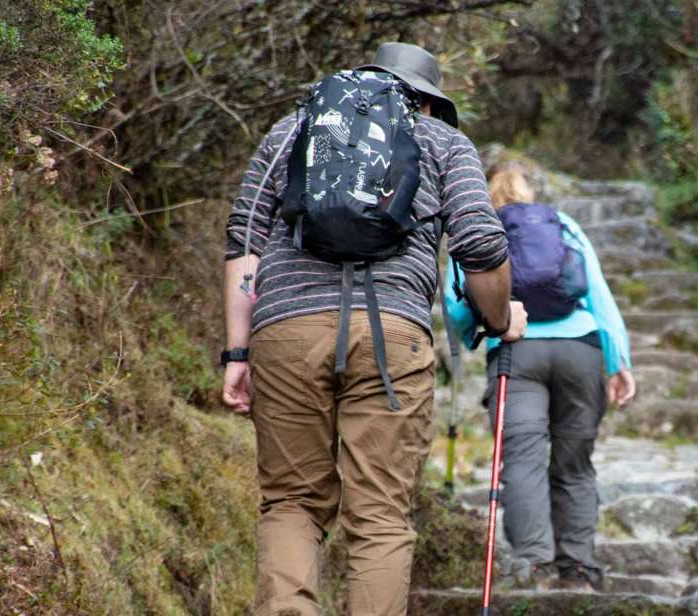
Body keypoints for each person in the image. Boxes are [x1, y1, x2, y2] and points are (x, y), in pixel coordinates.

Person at [220, 42, 527, 616]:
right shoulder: (441, 141)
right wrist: (501, 319)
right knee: (380, 515)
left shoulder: (292, 130)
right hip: (392, 334)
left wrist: (238, 352)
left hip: (286, 331)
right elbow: (482, 246)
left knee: (291, 503)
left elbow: (244, 242)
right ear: (430, 103)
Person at [445, 162, 636, 591]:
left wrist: (477, 335)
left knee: (524, 464)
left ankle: (535, 568)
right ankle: (579, 569)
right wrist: (618, 361)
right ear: (529, 193)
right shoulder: (562, 224)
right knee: (575, 466)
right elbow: (599, 294)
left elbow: (456, 305)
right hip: (581, 350)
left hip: (516, 353)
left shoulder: (476, 226)